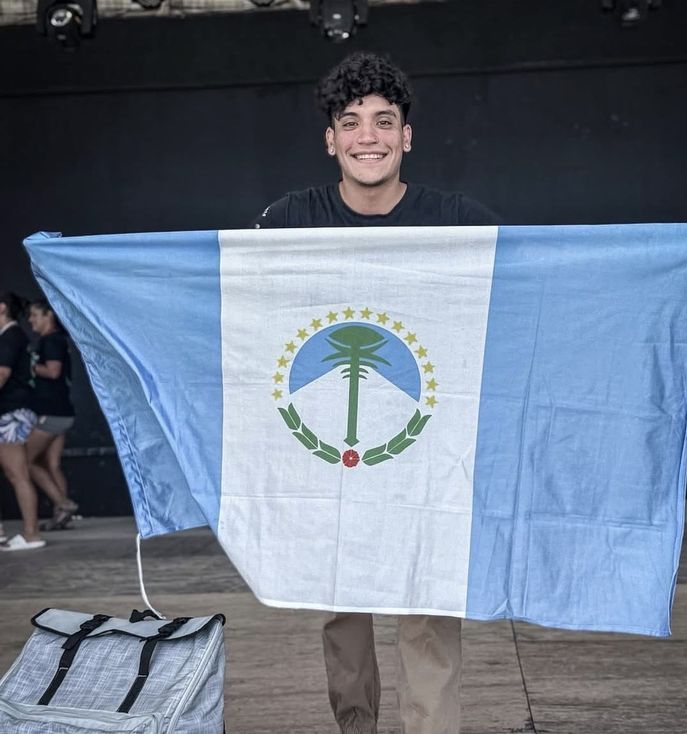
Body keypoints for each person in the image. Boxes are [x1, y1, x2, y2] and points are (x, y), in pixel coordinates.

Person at [256, 51, 500, 734]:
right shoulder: (289, 220)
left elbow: (549, 270)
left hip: (429, 452)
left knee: (428, 608)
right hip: (328, 454)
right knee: (342, 609)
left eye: (384, 121)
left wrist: (669, 255)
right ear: (330, 139)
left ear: (407, 136)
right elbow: (222, 293)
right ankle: (356, 725)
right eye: (351, 122)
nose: (369, 136)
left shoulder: (456, 220)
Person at [27, 298, 78, 529]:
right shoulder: (56, 340)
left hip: (51, 413)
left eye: (35, 315)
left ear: (49, 315)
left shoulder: (51, 341)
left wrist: (27, 366)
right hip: (62, 412)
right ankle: (61, 517)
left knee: (25, 462)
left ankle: (63, 504)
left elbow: (53, 371)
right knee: (52, 463)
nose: (31, 320)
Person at [0, 292, 45, 551]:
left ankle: (32, 534)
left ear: (2, 308)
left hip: (12, 414)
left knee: (18, 474)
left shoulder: (10, 336)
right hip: (13, 412)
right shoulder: (11, 336)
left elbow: (2, 375)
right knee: (16, 473)